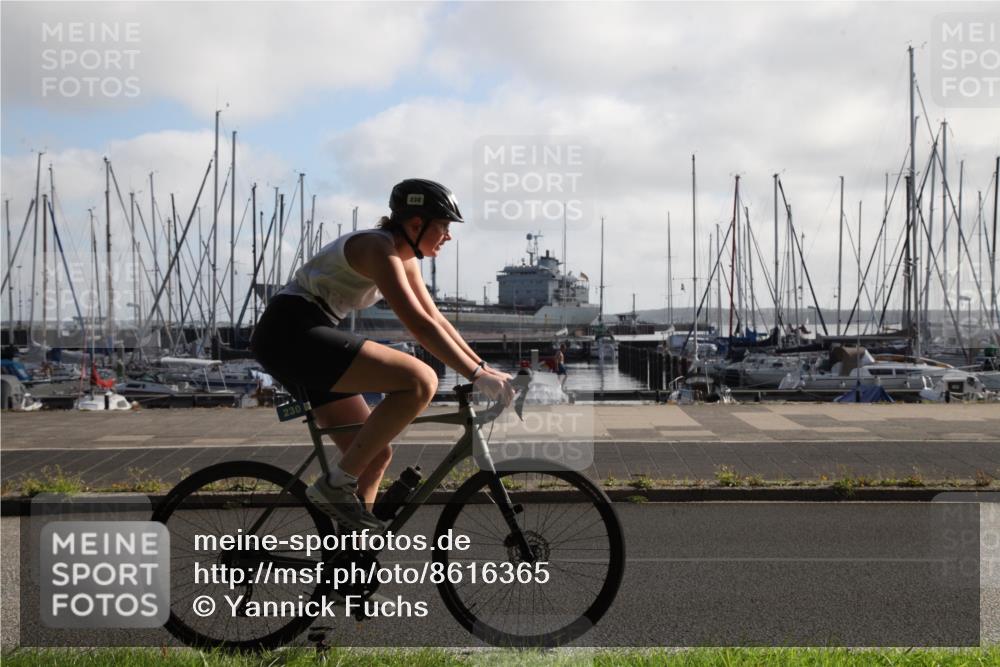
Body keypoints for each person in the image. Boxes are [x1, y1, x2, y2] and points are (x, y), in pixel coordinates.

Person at [250, 179, 514, 532]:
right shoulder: (378, 248)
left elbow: (435, 318)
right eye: (444, 226)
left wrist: (482, 368)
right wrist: (476, 377)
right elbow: (419, 325)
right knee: (421, 380)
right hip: (291, 332)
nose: (448, 236)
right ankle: (333, 486)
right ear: (417, 225)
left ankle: (348, 561)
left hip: (305, 336)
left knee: (374, 457)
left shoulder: (403, 258)